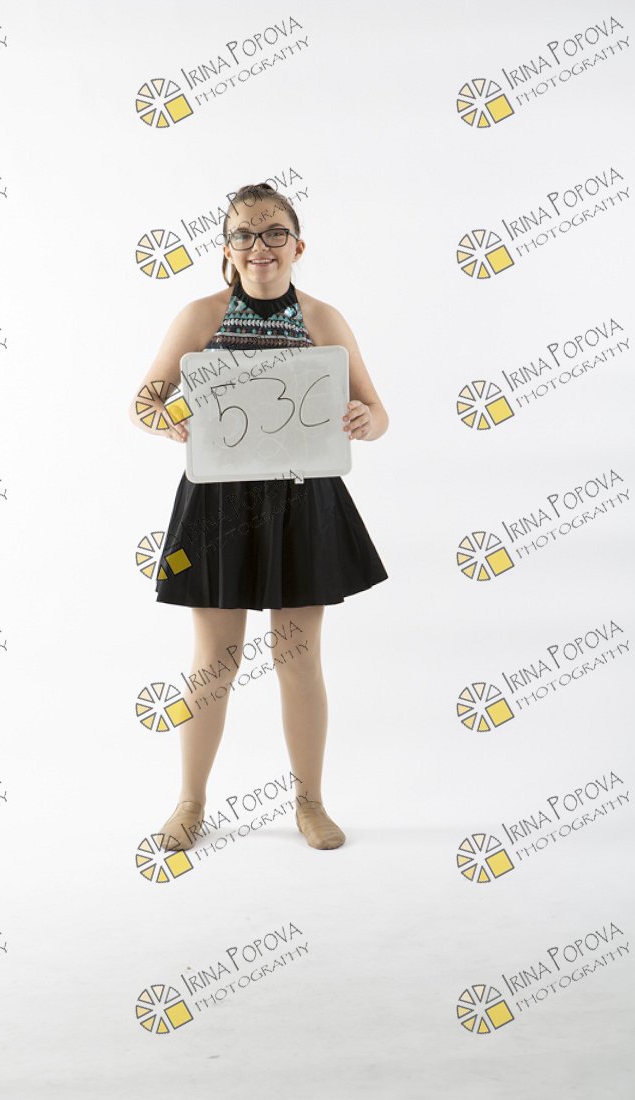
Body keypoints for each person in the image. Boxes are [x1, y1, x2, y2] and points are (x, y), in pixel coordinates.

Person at [128, 182, 389, 851]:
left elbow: (377, 410)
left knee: (297, 658)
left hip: (303, 499)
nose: (259, 245)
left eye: (274, 233)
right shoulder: (200, 317)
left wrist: (365, 420)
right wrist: (163, 418)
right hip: (217, 502)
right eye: (243, 233)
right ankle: (190, 802)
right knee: (214, 660)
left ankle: (310, 802)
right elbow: (144, 400)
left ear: (298, 245)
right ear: (227, 247)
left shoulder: (323, 318)